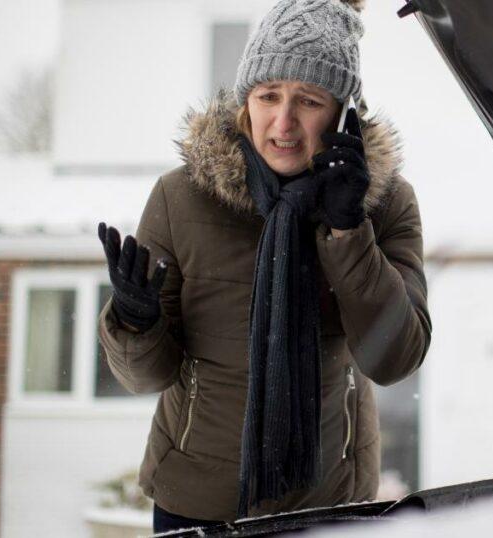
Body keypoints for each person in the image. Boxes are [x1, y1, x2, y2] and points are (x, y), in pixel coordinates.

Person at [96, 0, 431, 532]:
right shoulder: (181, 199)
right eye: (268, 95)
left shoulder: (384, 203)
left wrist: (348, 233)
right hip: (197, 501)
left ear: (343, 112)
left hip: (330, 502)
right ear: (244, 101)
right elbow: (146, 376)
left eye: (309, 100)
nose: (283, 122)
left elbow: (394, 359)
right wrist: (135, 324)